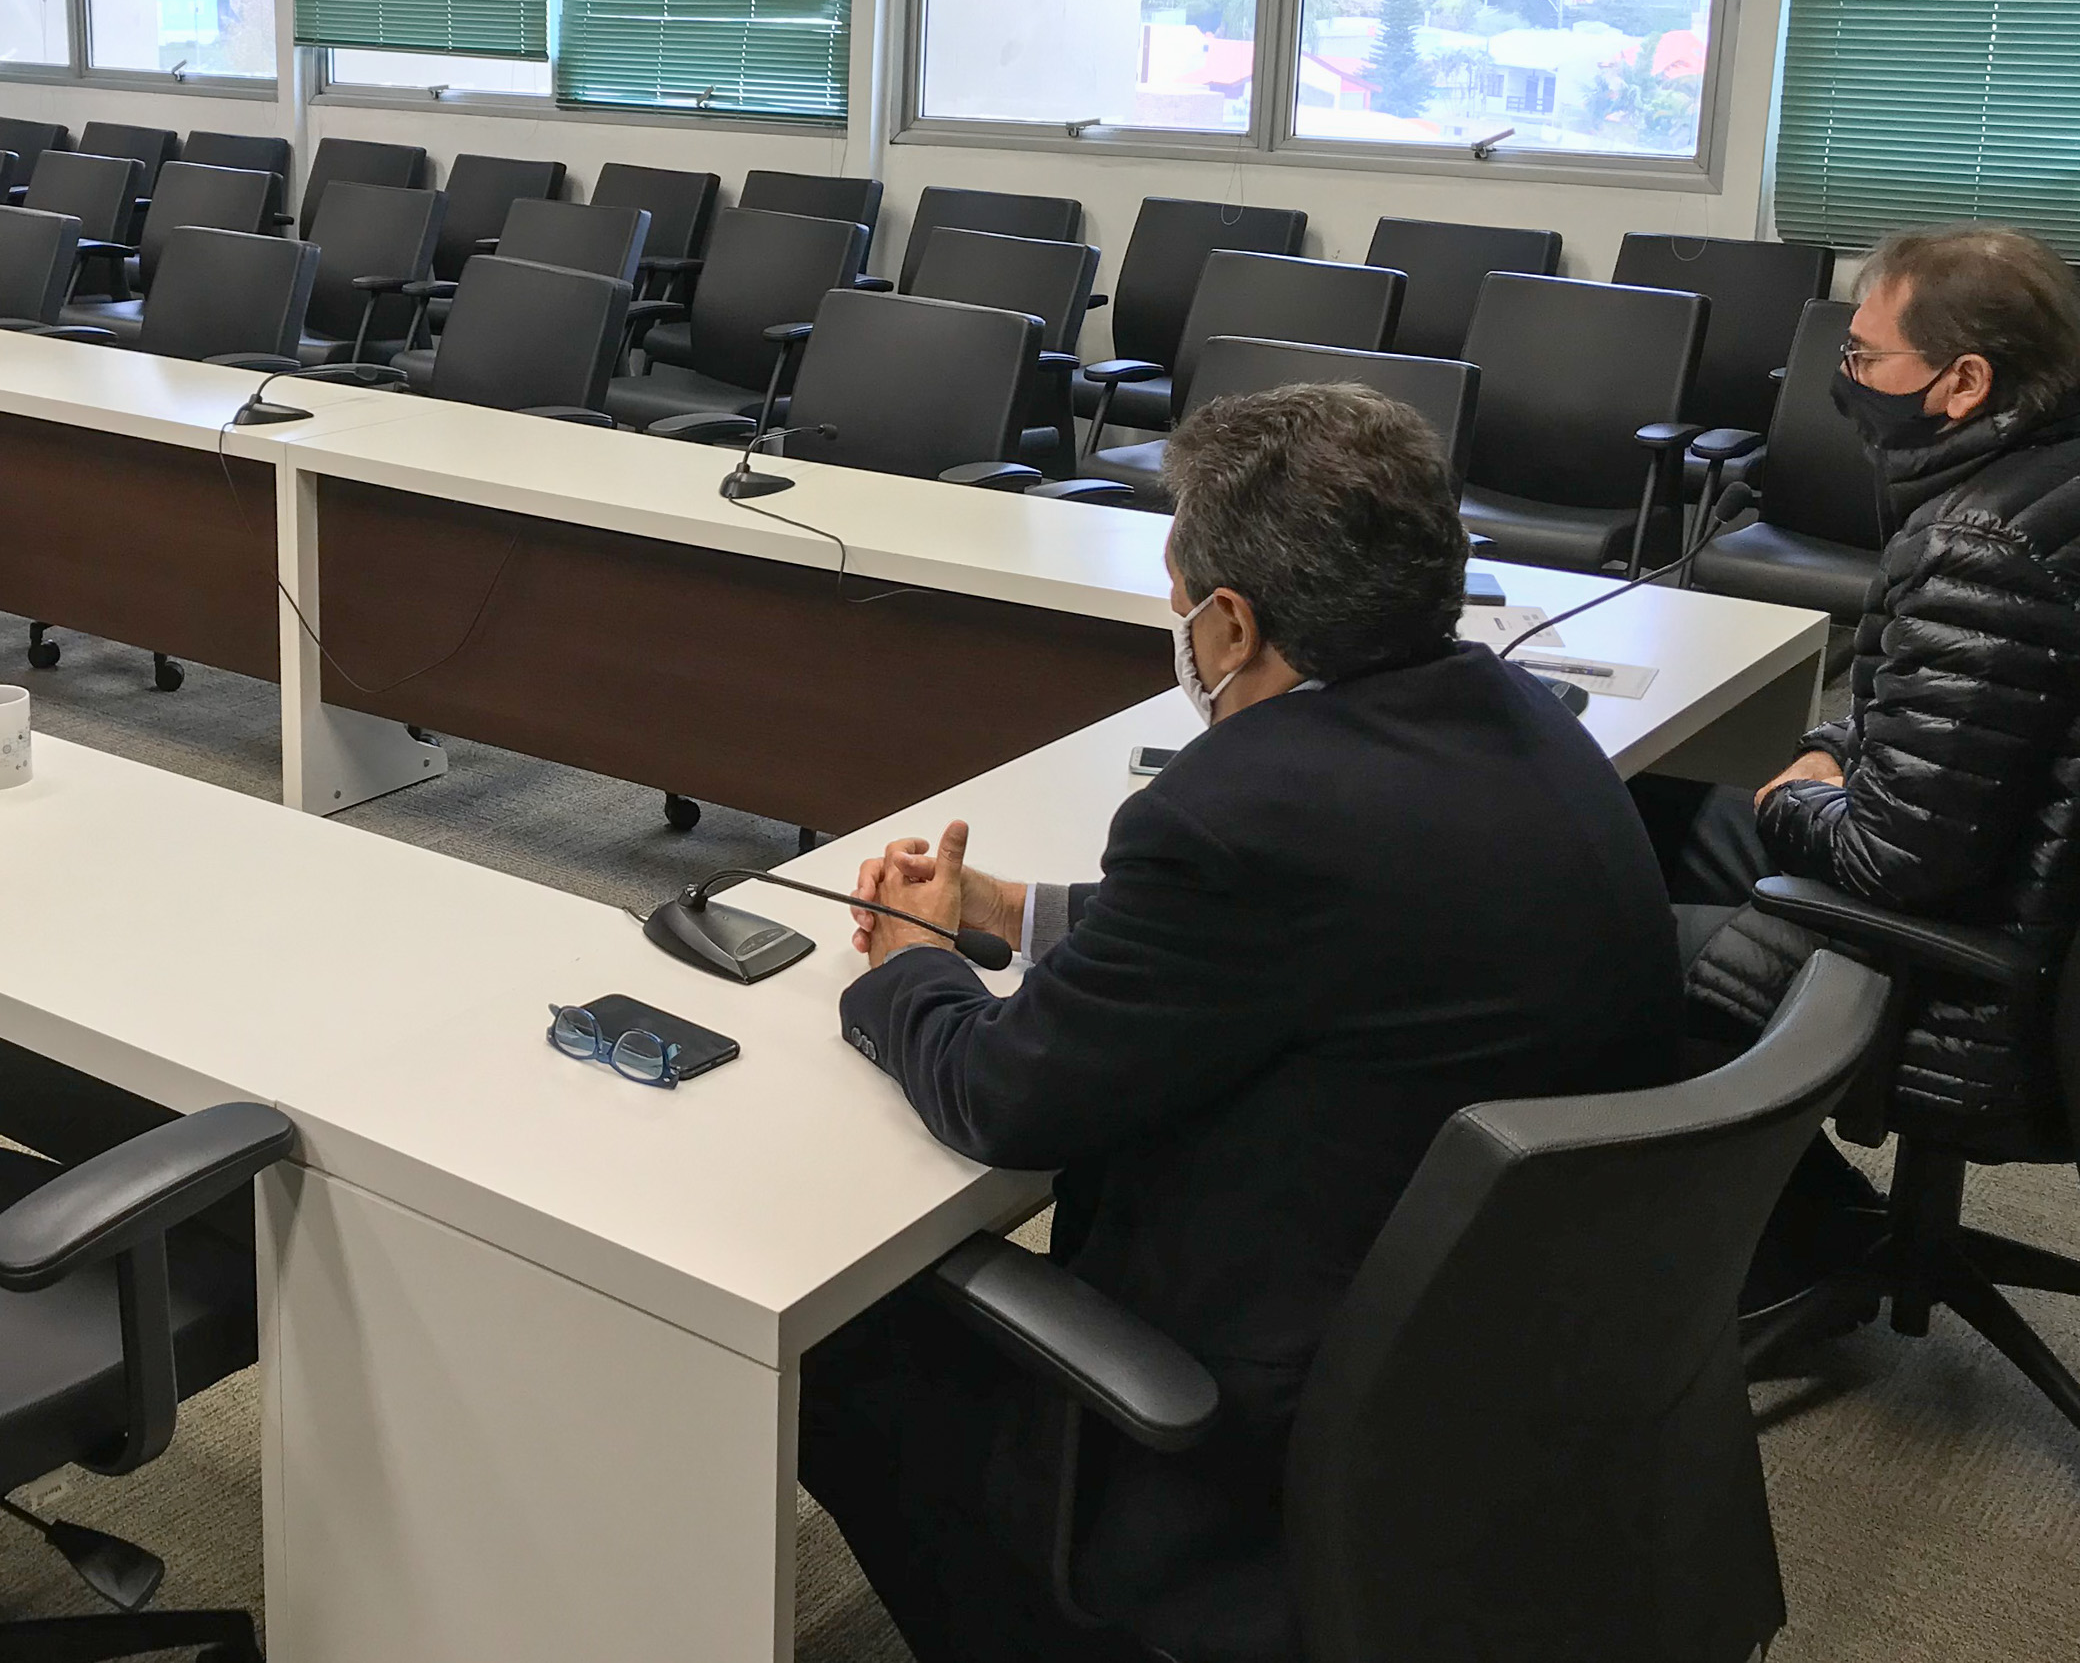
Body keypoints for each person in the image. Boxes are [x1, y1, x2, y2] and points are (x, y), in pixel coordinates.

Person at [801, 384, 1683, 1663]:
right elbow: (1298, 930)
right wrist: (1003, 910)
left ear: (1229, 624)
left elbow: (1002, 1098)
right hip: (1513, 1371)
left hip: (1268, 1417)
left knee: (844, 1345)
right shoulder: (1520, 717)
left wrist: (909, 966)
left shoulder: (1239, 813)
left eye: (1177, 597)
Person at [1667, 225, 2080, 1253]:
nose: (1843, 379)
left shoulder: (1982, 547)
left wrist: (1792, 798)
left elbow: (1893, 860)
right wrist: (1833, 746)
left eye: (1862, 356)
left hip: (1978, 988)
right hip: (2018, 881)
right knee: (1671, 809)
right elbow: (1936, 701)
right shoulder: (2046, 490)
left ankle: (1763, 1235)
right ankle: (1802, 1198)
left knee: (1606, 937)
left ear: (1963, 383)